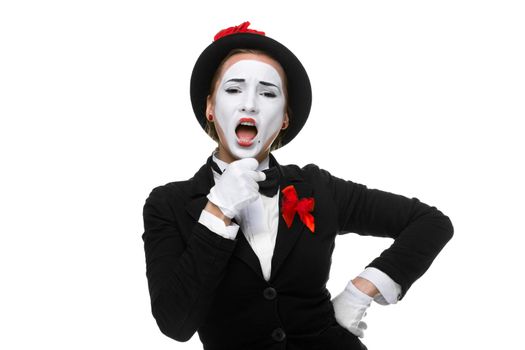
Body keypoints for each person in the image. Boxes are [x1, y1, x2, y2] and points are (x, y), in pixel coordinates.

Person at [141, 21, 454, 350]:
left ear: (285, 118)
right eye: (234, 90)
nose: (250, 104)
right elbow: (175, 324)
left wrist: (362, 289)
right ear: (209, 107)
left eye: (267, 92)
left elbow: (430, 223)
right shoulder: (168, 204)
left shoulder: (317, 187)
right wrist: (218, 210)